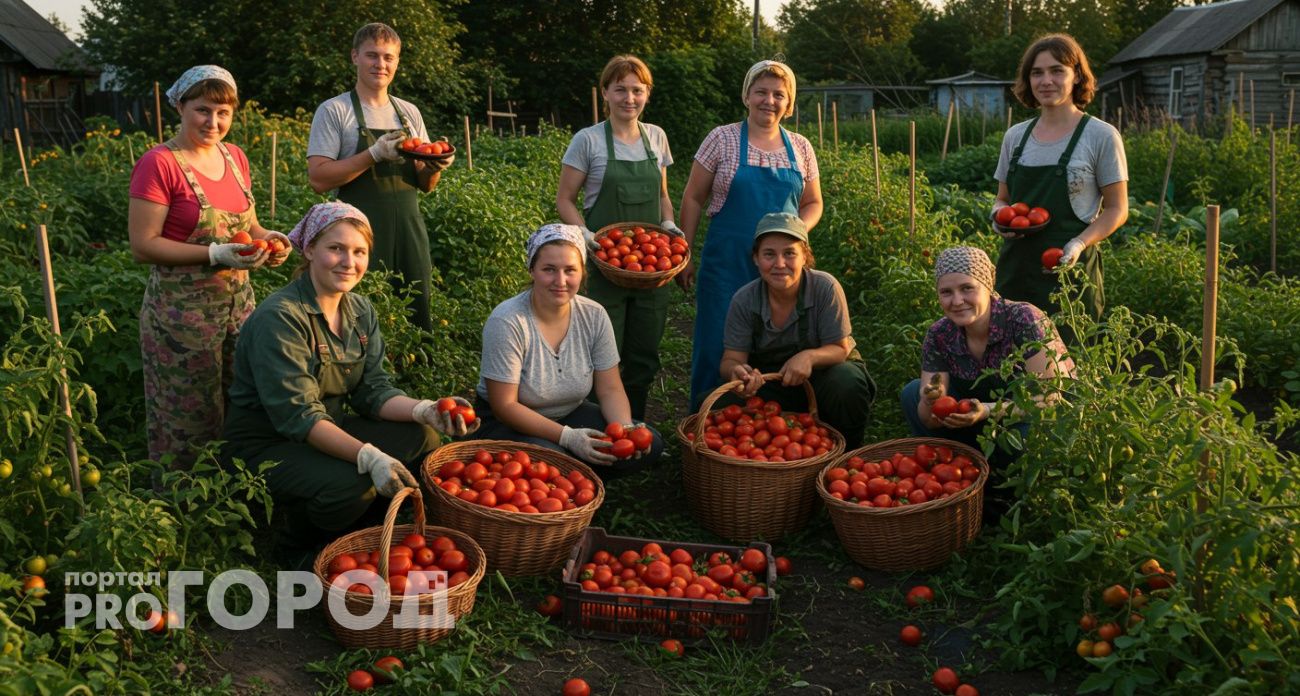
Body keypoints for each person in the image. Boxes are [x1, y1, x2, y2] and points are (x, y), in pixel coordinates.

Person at [222, 203, 475, 548]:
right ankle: (299, 540)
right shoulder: (281, 319)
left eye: (359, 252)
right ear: (310, 249)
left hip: (328, 429)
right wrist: (369, 457)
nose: (348, 262)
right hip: (267, 446)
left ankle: (365, 526)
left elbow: (373, 390)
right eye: (335, 248)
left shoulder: (359, 310)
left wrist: (425, 409)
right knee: (352, 482)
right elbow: (300, 418)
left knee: (422, 437)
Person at [128, 65, 292, 468]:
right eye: (203, 110)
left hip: (239, 311)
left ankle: (236, 493)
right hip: (180, 320)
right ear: (180, 106)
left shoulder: (234, 157)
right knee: (188, 418)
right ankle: (182, 509)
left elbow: (248, 226)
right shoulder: (160, 164)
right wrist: (213, 254)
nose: (213, 122)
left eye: (223, 113)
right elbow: (143, 246)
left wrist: (271, 240)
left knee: (244, 403)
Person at [679, 60, 823, 407]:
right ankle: (707, 417)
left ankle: (766, 419)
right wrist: (683, 253)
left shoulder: (800, 147)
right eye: (761, 92)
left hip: (781, 265)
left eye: (779, 94)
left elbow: (813, 202)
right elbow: (693, 197)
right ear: (746, 95)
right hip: (727, 261)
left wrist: (794, 232)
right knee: (718, 340)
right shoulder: (722, 138)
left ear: (788, 103)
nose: (769, 100)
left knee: (777, 338)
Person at [468, 223, 665, 472]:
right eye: (549, 269)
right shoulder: (508, 321)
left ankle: (578, 470)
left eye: (570, 270)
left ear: (582, 273)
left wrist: (624, 430)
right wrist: (568, 437)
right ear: (532, 270)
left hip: (569, 413)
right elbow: (505, 406)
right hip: (507, 423)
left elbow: (610, 388)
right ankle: (572, 470)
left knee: (651, 444)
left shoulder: (594, 315)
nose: (560, 281)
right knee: (556, 461)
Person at [556, 55, 680, 421]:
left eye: (637, 90)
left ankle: (635, 424)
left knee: (644, 351)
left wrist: (669, 224)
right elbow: (565, 199)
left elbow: (661, 195)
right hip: (604, 259)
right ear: (605, 93)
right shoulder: (588, 140)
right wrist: (583, 232)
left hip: (651, 262)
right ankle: (598, 424)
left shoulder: (656, 136)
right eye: (621, 89)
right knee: (602, 350)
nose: (629, 98)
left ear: (647, 94)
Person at [307, 22, 453, 332]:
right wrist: (372, 155)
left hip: (410, 232)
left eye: (389, 57)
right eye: (372, 55)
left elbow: (425, 185)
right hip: (358, 236)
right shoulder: (335, 110)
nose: (380, 64)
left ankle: (414, 379)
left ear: (398, 61)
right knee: (362, 312)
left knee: (416, 314)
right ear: (355, 56)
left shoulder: (408, 113)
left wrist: (434, 166)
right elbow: (318, 178)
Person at [993, 33, 1128, 322]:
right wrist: (997, 217)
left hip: (1070, 271)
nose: (1046, 81)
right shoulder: (1015, 137)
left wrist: (1079, 243)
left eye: (1057, 71)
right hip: (1016, 271)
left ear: (1077, 76)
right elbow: (1002, 199)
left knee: (1069, 359)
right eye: (1037, 73)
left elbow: (1118, 209)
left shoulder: (1100, 135)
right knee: (1011, 358)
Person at [900, 247, 1074, 464]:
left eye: (967, 288)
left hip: (1033, 415)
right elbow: (929, 420)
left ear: (988, 285)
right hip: (980, 414)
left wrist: (987, 411)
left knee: (1019, 439)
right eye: (946, 292)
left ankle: (1001, 476)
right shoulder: (940, 334)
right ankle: (955, 466)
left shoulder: (1024, 319)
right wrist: (930, 400)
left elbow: (1050, 400)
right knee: (912, 394)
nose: (957, 301)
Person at [720, 213, 875, 449]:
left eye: (790, 253)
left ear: (805, 257)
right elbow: (731, 359)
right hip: (774, 383)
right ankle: (770, 455)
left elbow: (840, 350)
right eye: (769, 254)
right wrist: (738, 372)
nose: (779, 264)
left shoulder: (825, 288)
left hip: (825, 379)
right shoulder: (745, 300)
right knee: (715, 404)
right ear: (756, 258)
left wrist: (809, 356)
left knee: (846, 382)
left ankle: (847, 451)